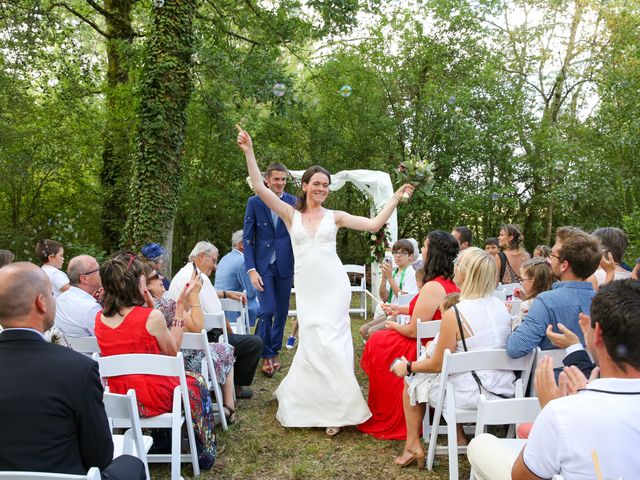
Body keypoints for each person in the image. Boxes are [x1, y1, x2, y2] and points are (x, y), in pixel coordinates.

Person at [237, 125, 414, 435]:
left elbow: (374, 224)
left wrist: (396, 197)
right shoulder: (290, 213)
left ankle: (337, 409)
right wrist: (250, 151)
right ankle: (309, 401)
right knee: (313, 340)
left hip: (333, 286)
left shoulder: (336, 216)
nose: (322, 189)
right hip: (307, 287)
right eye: (317, 183)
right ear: (305, 186)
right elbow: (259, 189)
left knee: (334, 342)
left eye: (326, 185)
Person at [469, 280, 640, 480]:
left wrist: (554, 409)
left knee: (480, 445)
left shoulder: (562, 412)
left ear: (598, 332)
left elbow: (522, 477)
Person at [0, 262, 145, 480]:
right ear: (41, 303)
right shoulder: (78, 369)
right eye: (50, 294)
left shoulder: (77, 368)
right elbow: (99, 458)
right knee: (131, 464)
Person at [390, 248, 515, 469]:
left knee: (411, 380)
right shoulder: (501, 307)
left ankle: (412, 445)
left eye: (458, 263)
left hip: (472, 394)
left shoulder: (455, 313)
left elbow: (437, 365)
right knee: (442, 376)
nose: (454, 265)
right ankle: (457, 437)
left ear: (465, 273)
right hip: (504, 388)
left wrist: (407, 366)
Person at [95, 253, 217, 469]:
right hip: (153, 398)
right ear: (136, 283)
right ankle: (203, 451)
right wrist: (180, 308)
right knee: (196, 381)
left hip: (119, 397)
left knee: (185, 381)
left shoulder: (99, 319)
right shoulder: (152, 317)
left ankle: (162, 441)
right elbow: (172, 351)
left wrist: (150, 309)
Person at [359, 231, 460, 440]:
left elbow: (414, 330)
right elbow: (428, 311)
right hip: (432, 340)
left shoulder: (433, 286)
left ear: (433, 252)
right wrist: (399, 310)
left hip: (422, 346)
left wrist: (392, 326)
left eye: (424, 246)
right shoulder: (447, 282)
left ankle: (387, 409)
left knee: (378, 340)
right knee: (379, 338)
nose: (421, 250)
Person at [143, 262, 238, 424]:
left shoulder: (137, 308)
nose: (160, 278)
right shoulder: (164, 306)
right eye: (154, 276)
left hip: (150, 369)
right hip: (181, 365)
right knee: (226, 348)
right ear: (144, 284)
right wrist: (194, 297)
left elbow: (178, 309)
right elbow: (197, 328)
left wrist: (186, 295)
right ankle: (228, 406)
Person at [169, 241, 262, 399]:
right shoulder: (200, 277)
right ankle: (236, 386)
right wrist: (230, 333)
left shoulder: (183, 273)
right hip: (203, 338)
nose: (216, 265)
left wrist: (225, 293)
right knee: (255, 343)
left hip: (180, 338)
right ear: (202, 257)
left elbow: (204, 297)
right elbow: (217, 314)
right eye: (214, 260)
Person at [507, 226, 601, 358]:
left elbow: (515, 348)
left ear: (564, 265)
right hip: (592, 375)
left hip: (551, 376)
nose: (548, 260)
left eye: (552, 255)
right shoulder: (604, 302)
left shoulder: (545, 301)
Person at [243, 162, 296, 377]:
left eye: (283, 179)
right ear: (267, 180)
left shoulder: (294, 202)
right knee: (266, 310)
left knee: (281, 311)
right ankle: (265, 353)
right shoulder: (255, 202)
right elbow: (247, 239)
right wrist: (251, 269)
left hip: (286, 263)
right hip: (263, 265)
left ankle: (273, 350)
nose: (280, 183)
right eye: (276, 179)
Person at [360, 239, 420, 340]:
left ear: (410, 256)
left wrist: (390, 278)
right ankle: (374, 351)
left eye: (403, 253)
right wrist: (384, 277)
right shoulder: (393, 272)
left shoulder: (411, 273)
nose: (398, 255)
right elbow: (384, 297)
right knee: (363, 330)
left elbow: (404, 299)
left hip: (402, 315)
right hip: (390, 311)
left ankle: (377, 353)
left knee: (372, 332)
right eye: (396, 252)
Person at [214, 230, 259, 329]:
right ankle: (261, 340)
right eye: (253, 243)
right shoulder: (243, 262)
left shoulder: (224, 258)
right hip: (235, 308)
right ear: (242, 245)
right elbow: (251, 293)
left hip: (218, 306)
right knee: (268, 309)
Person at [54, 255, 103, 337]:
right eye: (98, 270)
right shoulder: (91, 308)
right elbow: (106, 339)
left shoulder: (61, 299)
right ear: (84, 279)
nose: (101, 272)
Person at [510, 257, 553, 330]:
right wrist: (525, 298)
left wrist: (508, 316)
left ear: (533, 281)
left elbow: (517, 330)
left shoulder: (526, 306)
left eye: (522, 279)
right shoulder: (552, 298)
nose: (521, 283)